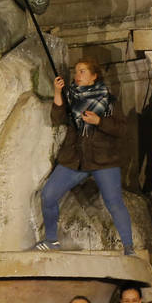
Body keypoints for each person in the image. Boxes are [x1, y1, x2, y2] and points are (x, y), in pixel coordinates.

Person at [35, 59, 133, 255]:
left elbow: (122, 130)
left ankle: (129, 247)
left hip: (103, 161)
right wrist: (57, 93)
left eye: (82, 72)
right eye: (76, 72)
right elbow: (57, 119)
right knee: (48, 195)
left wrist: (99, 121)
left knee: (114, 203)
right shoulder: (70, 98)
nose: (77, 75)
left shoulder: (109, 101)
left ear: (94, 76)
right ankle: (52, 240)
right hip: (75, 159)